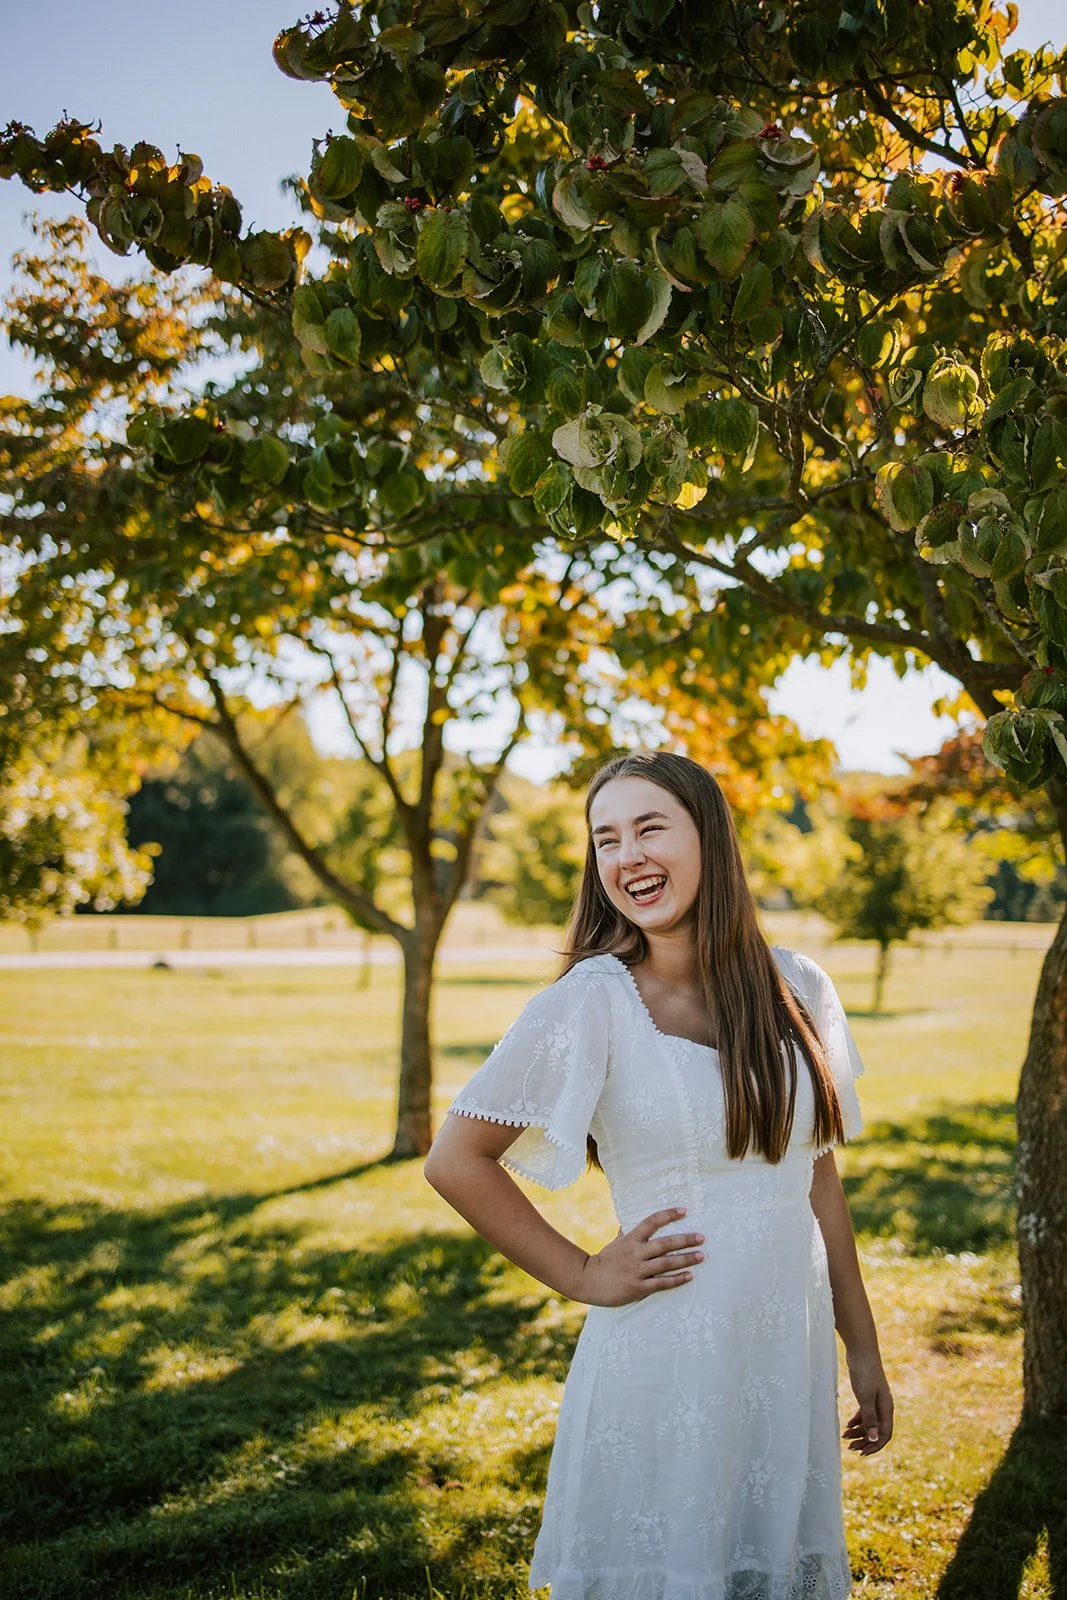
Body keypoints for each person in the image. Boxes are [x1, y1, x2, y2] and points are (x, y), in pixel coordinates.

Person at [424, 749, 893, 1600]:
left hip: (782, 1351)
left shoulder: (796, 987)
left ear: (709, 838)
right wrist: (584, 1273)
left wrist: (860, 1348)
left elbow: (817, 1178)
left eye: (648, 828)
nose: (626, 857)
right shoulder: (592, 1000)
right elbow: (456, 1159)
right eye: (606, 840)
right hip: (662, 1355)